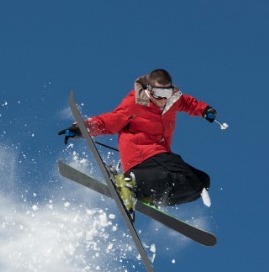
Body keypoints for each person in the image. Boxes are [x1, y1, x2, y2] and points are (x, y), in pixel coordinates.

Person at [59, 69, 219, 214]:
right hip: (141, 153)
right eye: (158, 93)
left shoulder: (173, 99)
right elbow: (110, 121)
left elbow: (187, 102)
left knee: (201, 183)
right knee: (188, 178)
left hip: (159, 154)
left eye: (167, 93)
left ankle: (146, 194)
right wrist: (80, 128)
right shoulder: (136, 103)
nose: (163, 99)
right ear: (149, 90)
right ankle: (132, 181)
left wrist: (204, 110)